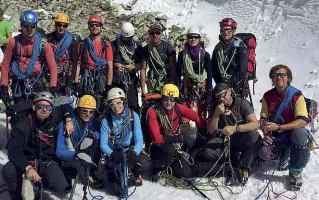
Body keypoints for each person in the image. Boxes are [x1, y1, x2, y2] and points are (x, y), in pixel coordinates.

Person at [1, 91, 75, 200]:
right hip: (26, 161)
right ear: (34, 107)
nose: (45, 109)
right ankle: (16, 195)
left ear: (51, 110)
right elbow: (14, 151)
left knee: (60, 185)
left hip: (45, 161)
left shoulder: (53, 118)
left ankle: (37, 186)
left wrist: (68, 120)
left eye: (48, 107)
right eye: (41, 106)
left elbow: (65, 106)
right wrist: (28, 167)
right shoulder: (23, 125)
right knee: (8, 170)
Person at [259, 64, 310, 190]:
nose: (279, 78)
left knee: (300, 133)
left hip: (292, 133)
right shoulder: (267, 96)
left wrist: (279, 127)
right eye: (275, 75)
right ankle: (284, 155)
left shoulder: (296, 96)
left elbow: (303, 121)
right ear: (272, 78)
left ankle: (295, 171)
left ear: (288, 78)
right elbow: (264, 119)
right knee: (262, 152)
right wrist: (266, 134)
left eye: (283, 75)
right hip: (277, 135)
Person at [146, 83, 206, 181]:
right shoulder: (153, 112)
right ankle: (155, 168)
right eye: (166, 98)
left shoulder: (178, 108)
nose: (169, 102)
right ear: (162, 97)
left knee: (192, 143)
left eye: (172, 99)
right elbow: (156, 139)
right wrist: (177, 138)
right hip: (157, 147)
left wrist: (205, 130)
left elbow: (195, 116)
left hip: (174, 142)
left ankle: (184, 162)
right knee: (169, 150)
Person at [207, 82, 259, 184]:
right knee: (209, 151)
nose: (221, 99)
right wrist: (216, 115)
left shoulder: (241, 103)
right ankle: (229, 163)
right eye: (218, 97)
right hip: (225, 140)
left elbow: (255, 124)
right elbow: (211, 130)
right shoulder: (214, 107)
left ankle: (244, 167)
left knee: (254, 136)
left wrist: (236, 128)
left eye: (223, 95)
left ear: (230, 91)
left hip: (241, 137)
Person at [100, 87, 150, 195]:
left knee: (144, 162)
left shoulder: (133, 116)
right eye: (112, 104)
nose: (116, 106)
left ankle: (135, 173)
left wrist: (135, 153)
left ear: (124, 102)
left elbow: (139, 139)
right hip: (115, 152)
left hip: (129, 150)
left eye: (118, 102)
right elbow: (103, 144)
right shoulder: (106, 120)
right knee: (118, 190)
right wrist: (112, 154)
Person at [0, 10, 58, 104]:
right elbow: (5, 65)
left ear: (36, 27)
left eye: (32, 26)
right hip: (18, 83)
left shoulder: (44, 44)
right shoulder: (13, 42)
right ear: (21, 26)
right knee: (19, 112)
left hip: (37, 82)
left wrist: (53, 86)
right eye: (26, 26)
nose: (29, 29)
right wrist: (4, 86)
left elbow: (52, 66)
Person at [56, 94, 102, 188]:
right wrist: (76, 155)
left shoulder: (91, 121)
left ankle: (91, 171)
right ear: (79, 110)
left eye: (91, 112)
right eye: (85, 111)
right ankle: (67, 172)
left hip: (79, 152)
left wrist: (92, 136)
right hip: (69, 155)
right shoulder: (66, 124)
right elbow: (59, 152)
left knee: (97, 143)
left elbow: (98, 132)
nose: (88, 114)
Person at [77, 14, 113, 111]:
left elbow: (110, 66)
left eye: (97, 25)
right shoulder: (83, 44)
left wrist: (109, 85)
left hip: (101, 79)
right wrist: (76, 82)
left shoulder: (106, 45)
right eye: (92, 25)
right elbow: (79, 64)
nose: (94, 27)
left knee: (100, 106)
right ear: (89, 27)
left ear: (101, 27)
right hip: (86, 79)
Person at [177, 27, 212, 118]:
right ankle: (185, 127)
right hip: (187, 84)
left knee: (202, 109)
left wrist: (209, 90)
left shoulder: (205, 55)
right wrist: (178, 88)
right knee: (185, 109)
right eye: (190, 37)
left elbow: (209, 73)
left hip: (201, 84)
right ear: (187, 38)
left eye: (195, 37)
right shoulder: (182, 55)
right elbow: (177, 72)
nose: (193, 39)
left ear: (199, 39)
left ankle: (201, 128)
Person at [211, 18, 248, 96]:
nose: (225, 33)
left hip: (237, 86)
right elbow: (214, 68)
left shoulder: (240, 47)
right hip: (222, 85)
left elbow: (242, 69)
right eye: (223, 30)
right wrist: (220, 83)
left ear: (234, 31)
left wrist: (232, 83)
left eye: (229, 30)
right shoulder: (218, 48)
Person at [111, 22, 142, 113]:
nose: (126, 39)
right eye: (125, 38)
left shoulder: (137, 46)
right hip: (117, 80)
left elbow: (141, 63)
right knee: (117, 103)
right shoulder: (113, 45)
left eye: (129, 38)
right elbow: (107, 61)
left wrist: (134, 67)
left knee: (133, 104)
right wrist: (115, 65)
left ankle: (133, 122)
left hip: (131, 80)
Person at [46, 13, 79, 96]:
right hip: (48, 75)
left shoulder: (72, 41)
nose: (61, 28)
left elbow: (73, 61)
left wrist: (70, 80)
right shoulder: (48, 38)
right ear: (55, 25)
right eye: (59, 25)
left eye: (64, 26)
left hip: (64, 77)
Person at [140, 23, 177, 96]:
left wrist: (174, 83)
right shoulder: (146, 49)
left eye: (157, 33)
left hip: (167, 79)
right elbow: (143, 69)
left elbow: (173, 67)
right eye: (152, 33)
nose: (155, 35)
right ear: (149, 34)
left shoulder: (168, 47)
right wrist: (143, 90)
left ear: (160, 34)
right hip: (152, 81)